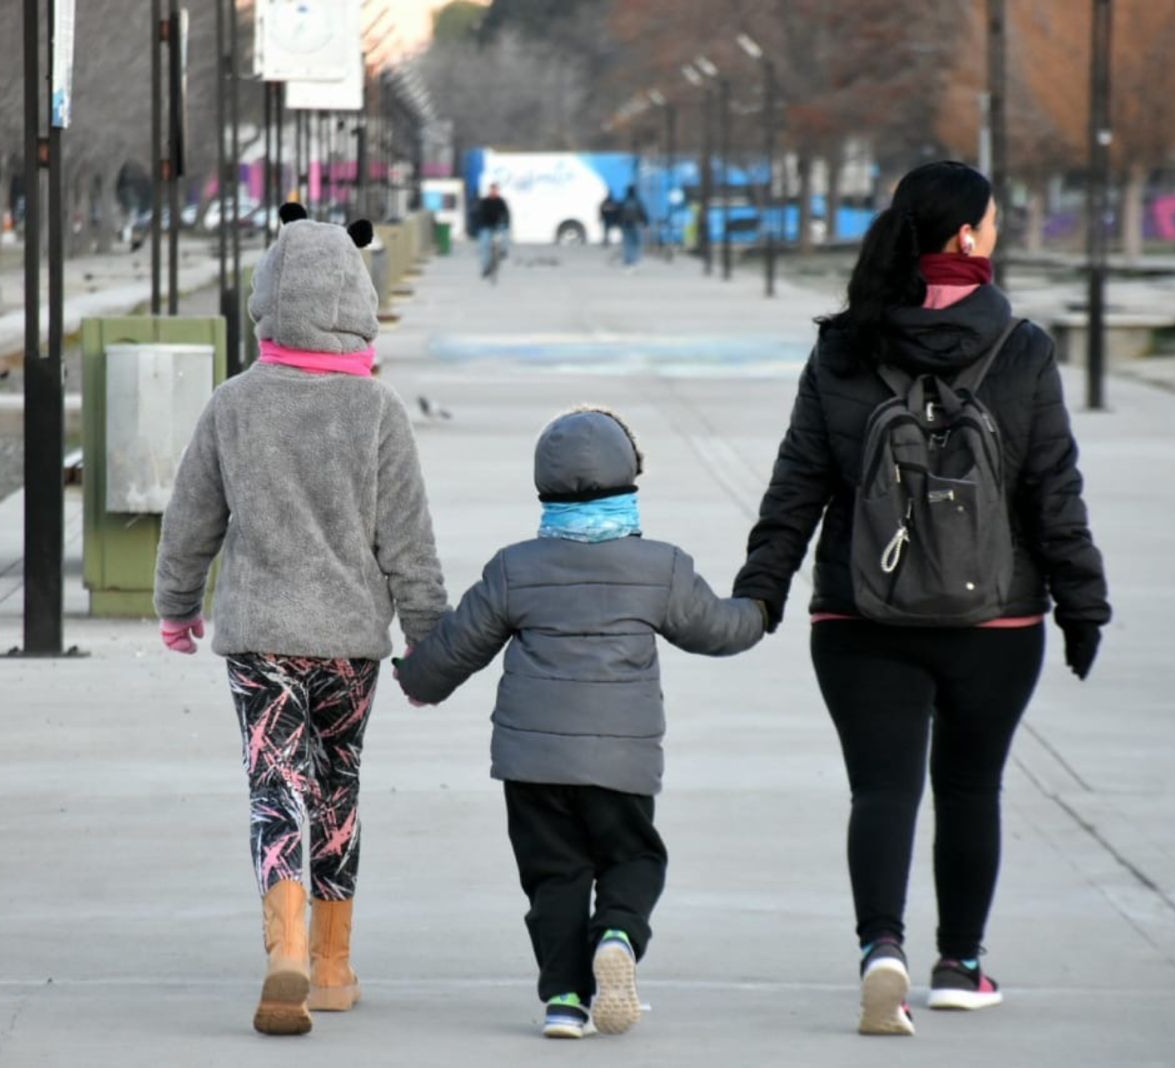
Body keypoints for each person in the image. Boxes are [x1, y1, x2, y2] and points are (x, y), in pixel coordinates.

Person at [732, 160, 1110, 1037]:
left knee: (882, 790)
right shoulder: (1022, 348)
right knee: (971, 789)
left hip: (862, 612)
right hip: (999, 615)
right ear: (967, 239)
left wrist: (763, 591)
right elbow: (1054, 493)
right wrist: (1082, 606)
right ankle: (961, 964)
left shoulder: (844, 345)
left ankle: (881, 951)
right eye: (994, 219)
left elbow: (798, 486)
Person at [154, 205, 449, 1038]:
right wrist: (430, 641)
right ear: (356, 296)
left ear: (266, 297)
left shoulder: (235, 404)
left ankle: (280, 949)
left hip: (259, 636)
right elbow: (409, 542)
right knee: (337, 788)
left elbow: (191, 522)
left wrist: (178, 608)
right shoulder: (379, 411)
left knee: (274, 786)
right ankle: (330, 964)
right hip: (350, 643)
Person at [396, 408, 766, 1040]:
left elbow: (458, 644)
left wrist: (418, 682)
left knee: (554, 877)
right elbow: (718, 630)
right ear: (629, 481)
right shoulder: (661, 568)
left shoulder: (516, 568)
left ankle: (565, 1000)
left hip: (532, 764)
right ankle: (618, 932)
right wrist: (760, 607)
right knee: (633, 856)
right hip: (621, 762)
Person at [474, 182, 510, 280]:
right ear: (489, 191)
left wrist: (505, 224)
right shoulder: (484, 202)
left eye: (495, 190)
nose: (494, 192)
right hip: (486, 226)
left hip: (498, 226)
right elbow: (479, 214)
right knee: (484, 247)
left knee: (505, 235)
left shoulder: (501, 202)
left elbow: (506, 214)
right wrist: (481, 224)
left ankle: (503, 251)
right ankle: (486, 268)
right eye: (492, 190)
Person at [618, 186, 647, 269]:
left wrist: (619, 223)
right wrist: (645, 223)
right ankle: (636, 259)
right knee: (637, 243)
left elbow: (619, 213)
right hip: (636, 224)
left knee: (627, 243)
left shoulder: (624, 201)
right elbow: (643, 213)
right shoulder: (638, 201)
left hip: (625, 224)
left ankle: (628, 259)